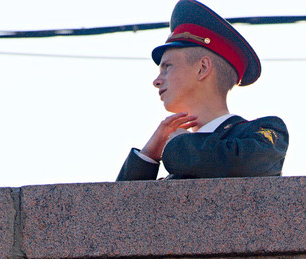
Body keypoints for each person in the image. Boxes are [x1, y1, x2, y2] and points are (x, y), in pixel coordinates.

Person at [117, 0, 288, 180]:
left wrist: (181, 144)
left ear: (203, 68)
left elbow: (245, 164)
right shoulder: (178, 160)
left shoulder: (263, 133)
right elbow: (117, 207)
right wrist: (147, 157)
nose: (156, 81)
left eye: (167, 67)